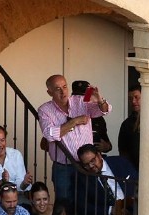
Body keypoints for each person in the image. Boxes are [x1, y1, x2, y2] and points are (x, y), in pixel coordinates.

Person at [38, 74, 110, 204]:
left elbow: (104, 111)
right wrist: (75, 121)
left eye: (64, 87)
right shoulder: (44, 110)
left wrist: (100, 100)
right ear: (49, 92)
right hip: (63, 167)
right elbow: (49, 135)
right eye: (57, 88)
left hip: (87, 164)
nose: (62, 91)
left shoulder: (81, 101)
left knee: (89, 203)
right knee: (64, 206)